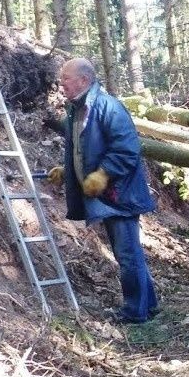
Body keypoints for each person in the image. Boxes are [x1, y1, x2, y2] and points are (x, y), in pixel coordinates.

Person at [47, 58, 158, 323]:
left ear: (84, 80)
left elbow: (127, 150)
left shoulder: (108, 107)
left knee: (128, 255)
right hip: (108, 196)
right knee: (129, 253)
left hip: (120, 194)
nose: (61, 84)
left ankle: (135, 313)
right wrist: (68, 171)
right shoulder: (77, 109)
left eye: (66, 78)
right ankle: (149, 304)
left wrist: (103, 174)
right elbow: (82, 149)